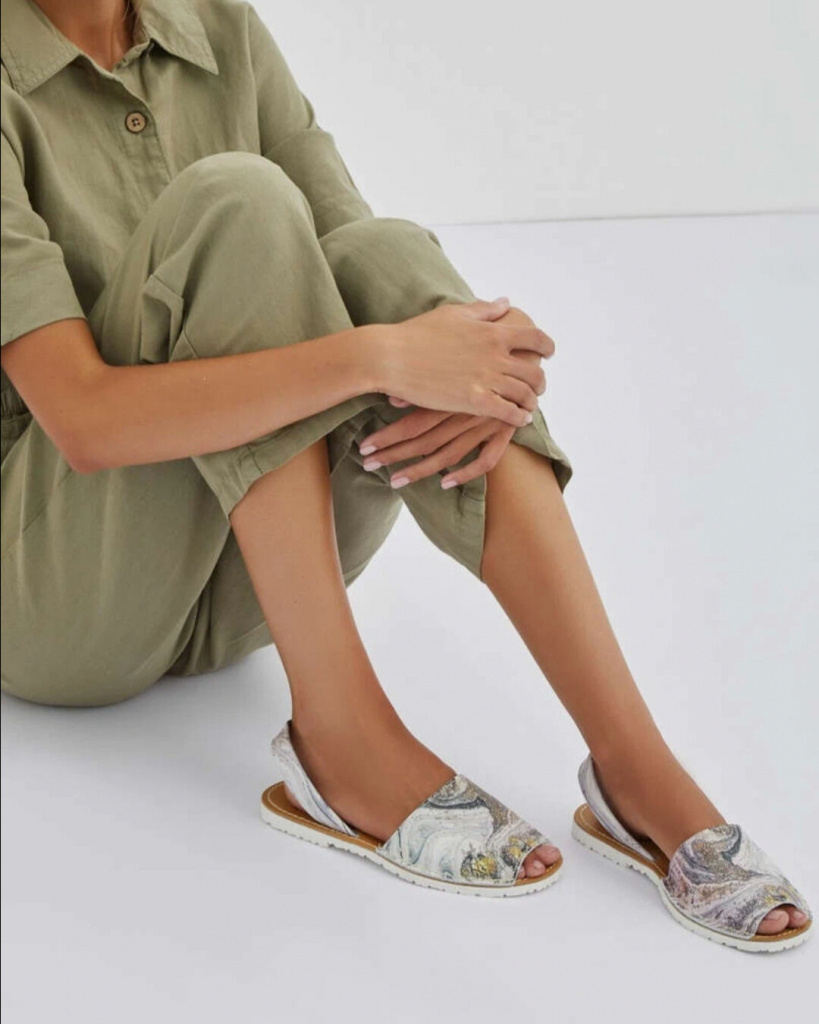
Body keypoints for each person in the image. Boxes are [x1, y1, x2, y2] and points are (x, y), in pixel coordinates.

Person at [0, 0, 811, 948]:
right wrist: (376, 360)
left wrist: (474, 365)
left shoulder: (217, 25)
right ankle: (339, 736)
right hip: (65, 597)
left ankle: (632, 762)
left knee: (385, 254)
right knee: (239, 203)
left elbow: (364, 274)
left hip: (247, 585)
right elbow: (85, 421)